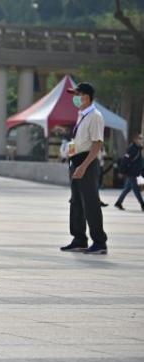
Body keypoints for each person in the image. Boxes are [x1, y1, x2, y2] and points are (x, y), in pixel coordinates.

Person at [59, 81, 108, 254]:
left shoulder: (95, 116)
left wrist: (84, 166)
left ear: (87, 97)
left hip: (87, 161)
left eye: (77, 95)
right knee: (76, 202)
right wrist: (71, 155)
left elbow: (97, 144)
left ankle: (100, 242)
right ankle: (79, 238)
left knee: (91, 203)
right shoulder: (82, 115)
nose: (75, 99)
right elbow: (79, 141)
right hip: (77, 159)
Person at [115, 134, 144, 211]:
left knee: (127, 189)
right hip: (131, 173)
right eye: (139, 138)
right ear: (135, 139)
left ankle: (118, 202)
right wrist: (121, 171)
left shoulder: (138, 149)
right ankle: (142, 204)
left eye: (141, 138)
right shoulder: (131, 148)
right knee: (136, 190)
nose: (141, 140)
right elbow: (125, 161)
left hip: (135, 172)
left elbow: (139, 162)